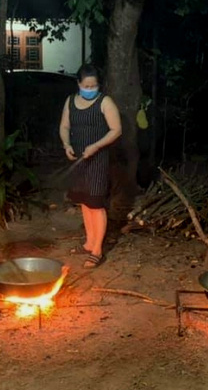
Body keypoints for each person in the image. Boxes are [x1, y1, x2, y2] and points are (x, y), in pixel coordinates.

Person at [59, 64, 122, 269]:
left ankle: (97, 250)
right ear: (78, 84)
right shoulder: (70, 101)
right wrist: (67, 144)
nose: (90, 88)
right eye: (86, 85)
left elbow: (116, 130)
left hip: (97, 159)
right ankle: (88, 242)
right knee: (84, 202)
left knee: (96, 203)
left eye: (93, 85)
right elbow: (64, 126)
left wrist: (96, 146)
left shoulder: (105, 102)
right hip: (78, 158)